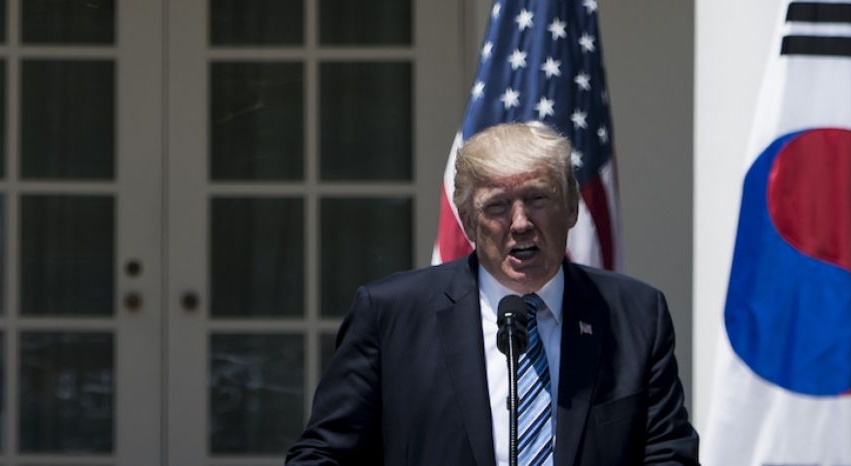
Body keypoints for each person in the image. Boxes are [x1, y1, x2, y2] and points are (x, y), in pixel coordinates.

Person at [286, 122, 697, 466]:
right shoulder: (391, 314)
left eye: (538, 199)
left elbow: (669, 455)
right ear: (467, 221)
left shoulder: (635, 314)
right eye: (497, 206)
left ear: (572, 207)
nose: (520, 223)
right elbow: (322, 455)